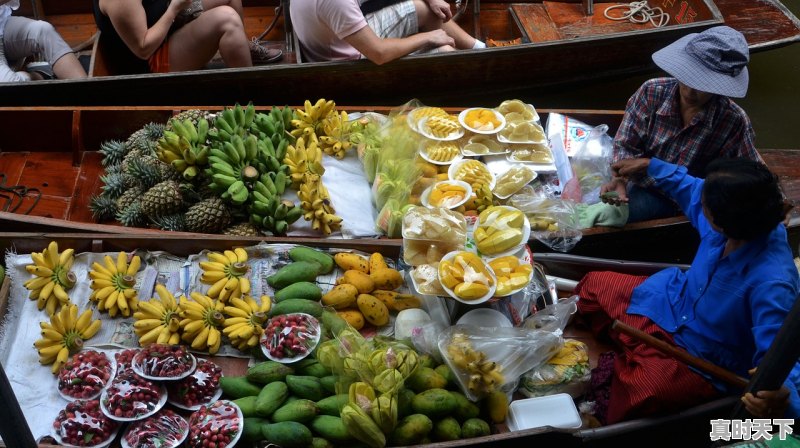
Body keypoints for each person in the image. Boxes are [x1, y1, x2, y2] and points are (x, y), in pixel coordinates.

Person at [577, 156, 799, 425]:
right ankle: (635, 355)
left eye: (704, 205)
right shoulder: (733, 217)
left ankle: (636, 360)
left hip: (701, 358)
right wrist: (650, 166)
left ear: (719, 221)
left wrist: (779, 397)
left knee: (643, 391)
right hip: (671, 303)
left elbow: (779, 355)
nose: (698, 202)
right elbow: (690, 186)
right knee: (594, 286)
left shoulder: (773, 281)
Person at [600, 25, 761, 223]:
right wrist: (620, 178)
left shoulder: (733, 120)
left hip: (687, 199)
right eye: (688, 77)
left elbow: (752, 174)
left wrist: (776, 205)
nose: (691, 92)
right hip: (643, 181)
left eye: (704, 85)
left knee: (613, 217)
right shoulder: (651, 92)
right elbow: (626, 144)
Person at [93, 0, 281, 75]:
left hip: (166, 28)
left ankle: (244, 48)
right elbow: (143, 48)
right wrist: (174, 9)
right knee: (227, 20)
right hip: (150, 65)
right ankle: (252, 104)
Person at [290, 0, 484, 64]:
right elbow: (379, 53)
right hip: (349, 59)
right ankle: (468, 70)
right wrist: (428, 37)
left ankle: (480, 50)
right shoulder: (336, 2)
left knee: (425, 8)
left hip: (342, 36)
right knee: (445, 55)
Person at [0, 0, 87, 82]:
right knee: (11, 83)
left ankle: (89, 91)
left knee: (44, 30)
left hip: (2, 26)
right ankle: (37, 76)